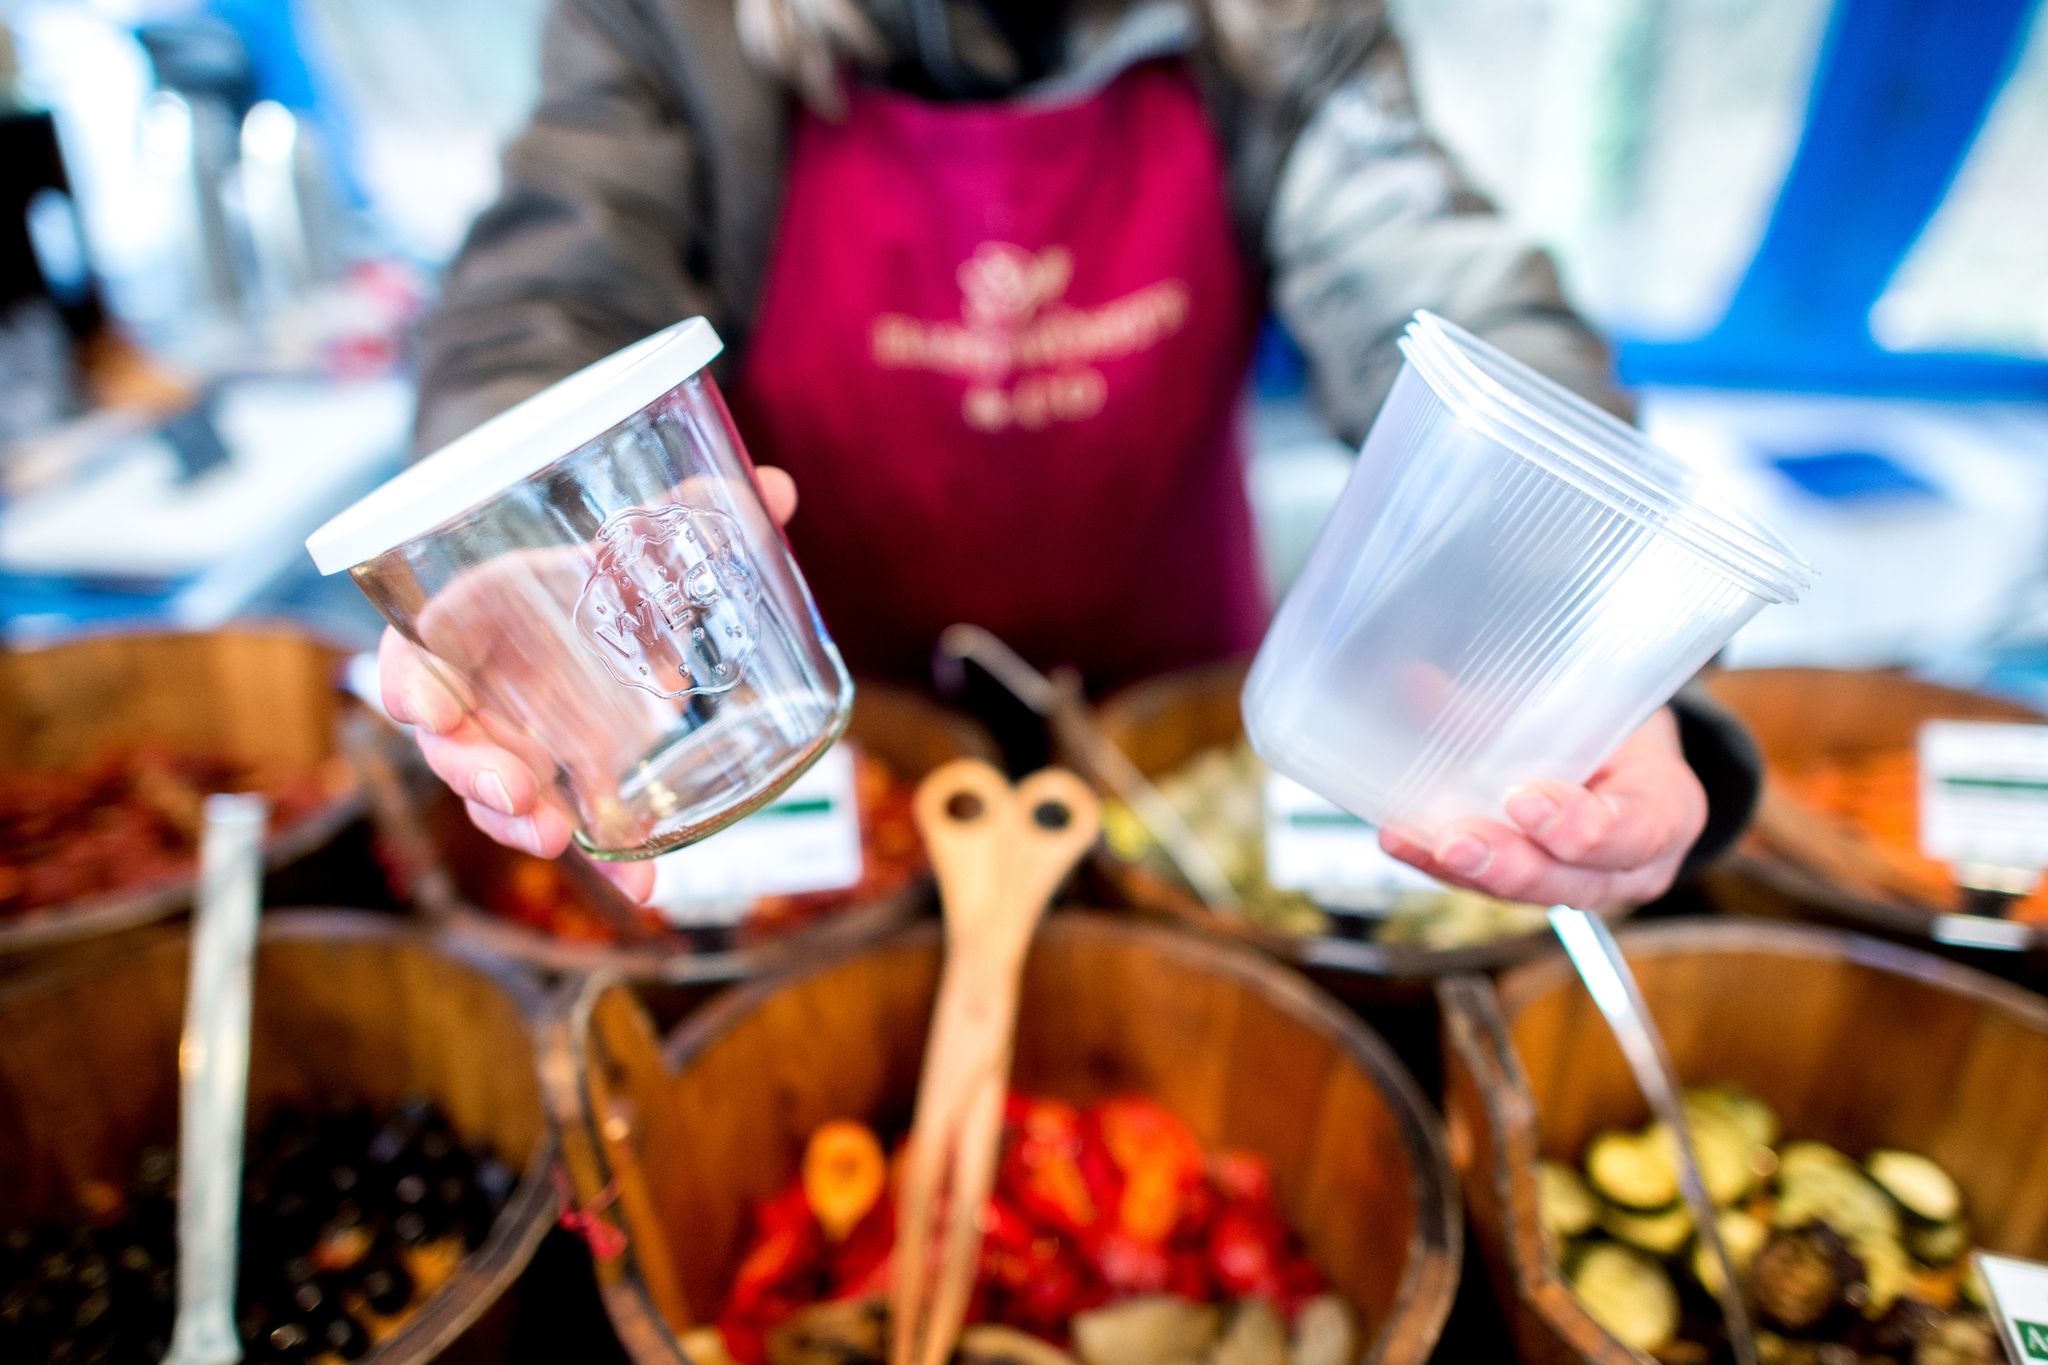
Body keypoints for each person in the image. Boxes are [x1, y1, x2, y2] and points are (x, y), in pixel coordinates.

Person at [379, 0, 1758, 908]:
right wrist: (519, 532)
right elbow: (542, 305)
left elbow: (1468, 309)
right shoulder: (670, 25)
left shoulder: (1271, 25)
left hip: (1176, 731)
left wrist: (1588, 641)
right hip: (819, 755)